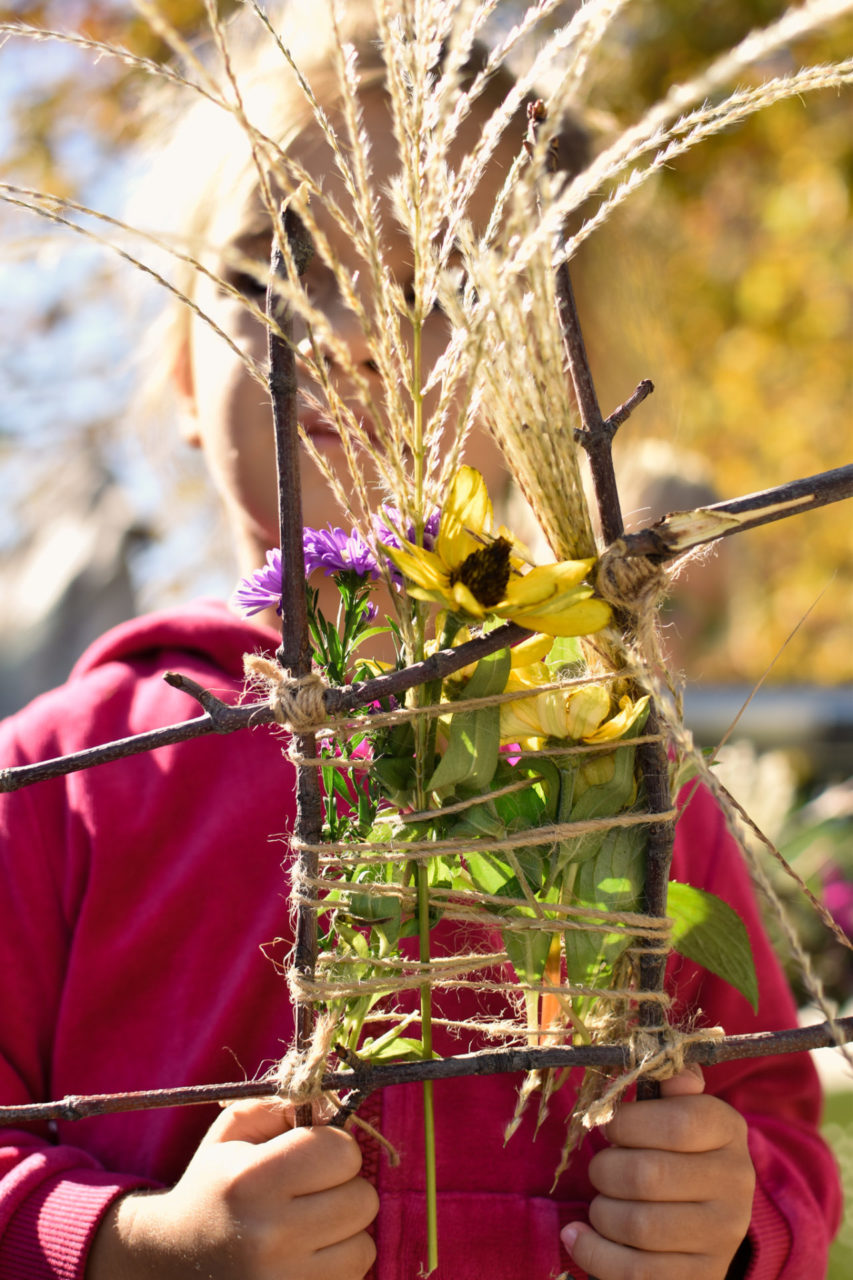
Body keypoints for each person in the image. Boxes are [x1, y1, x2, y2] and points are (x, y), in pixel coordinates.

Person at [0, 6, 841, 1279]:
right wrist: (134, 1243)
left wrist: (724, 1217)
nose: (343, 335)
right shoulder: (66, 774)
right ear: (177, 367)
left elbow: (771, 1118)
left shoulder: (608, 752)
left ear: (558, 394)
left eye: (436, 291)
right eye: (275, 278)